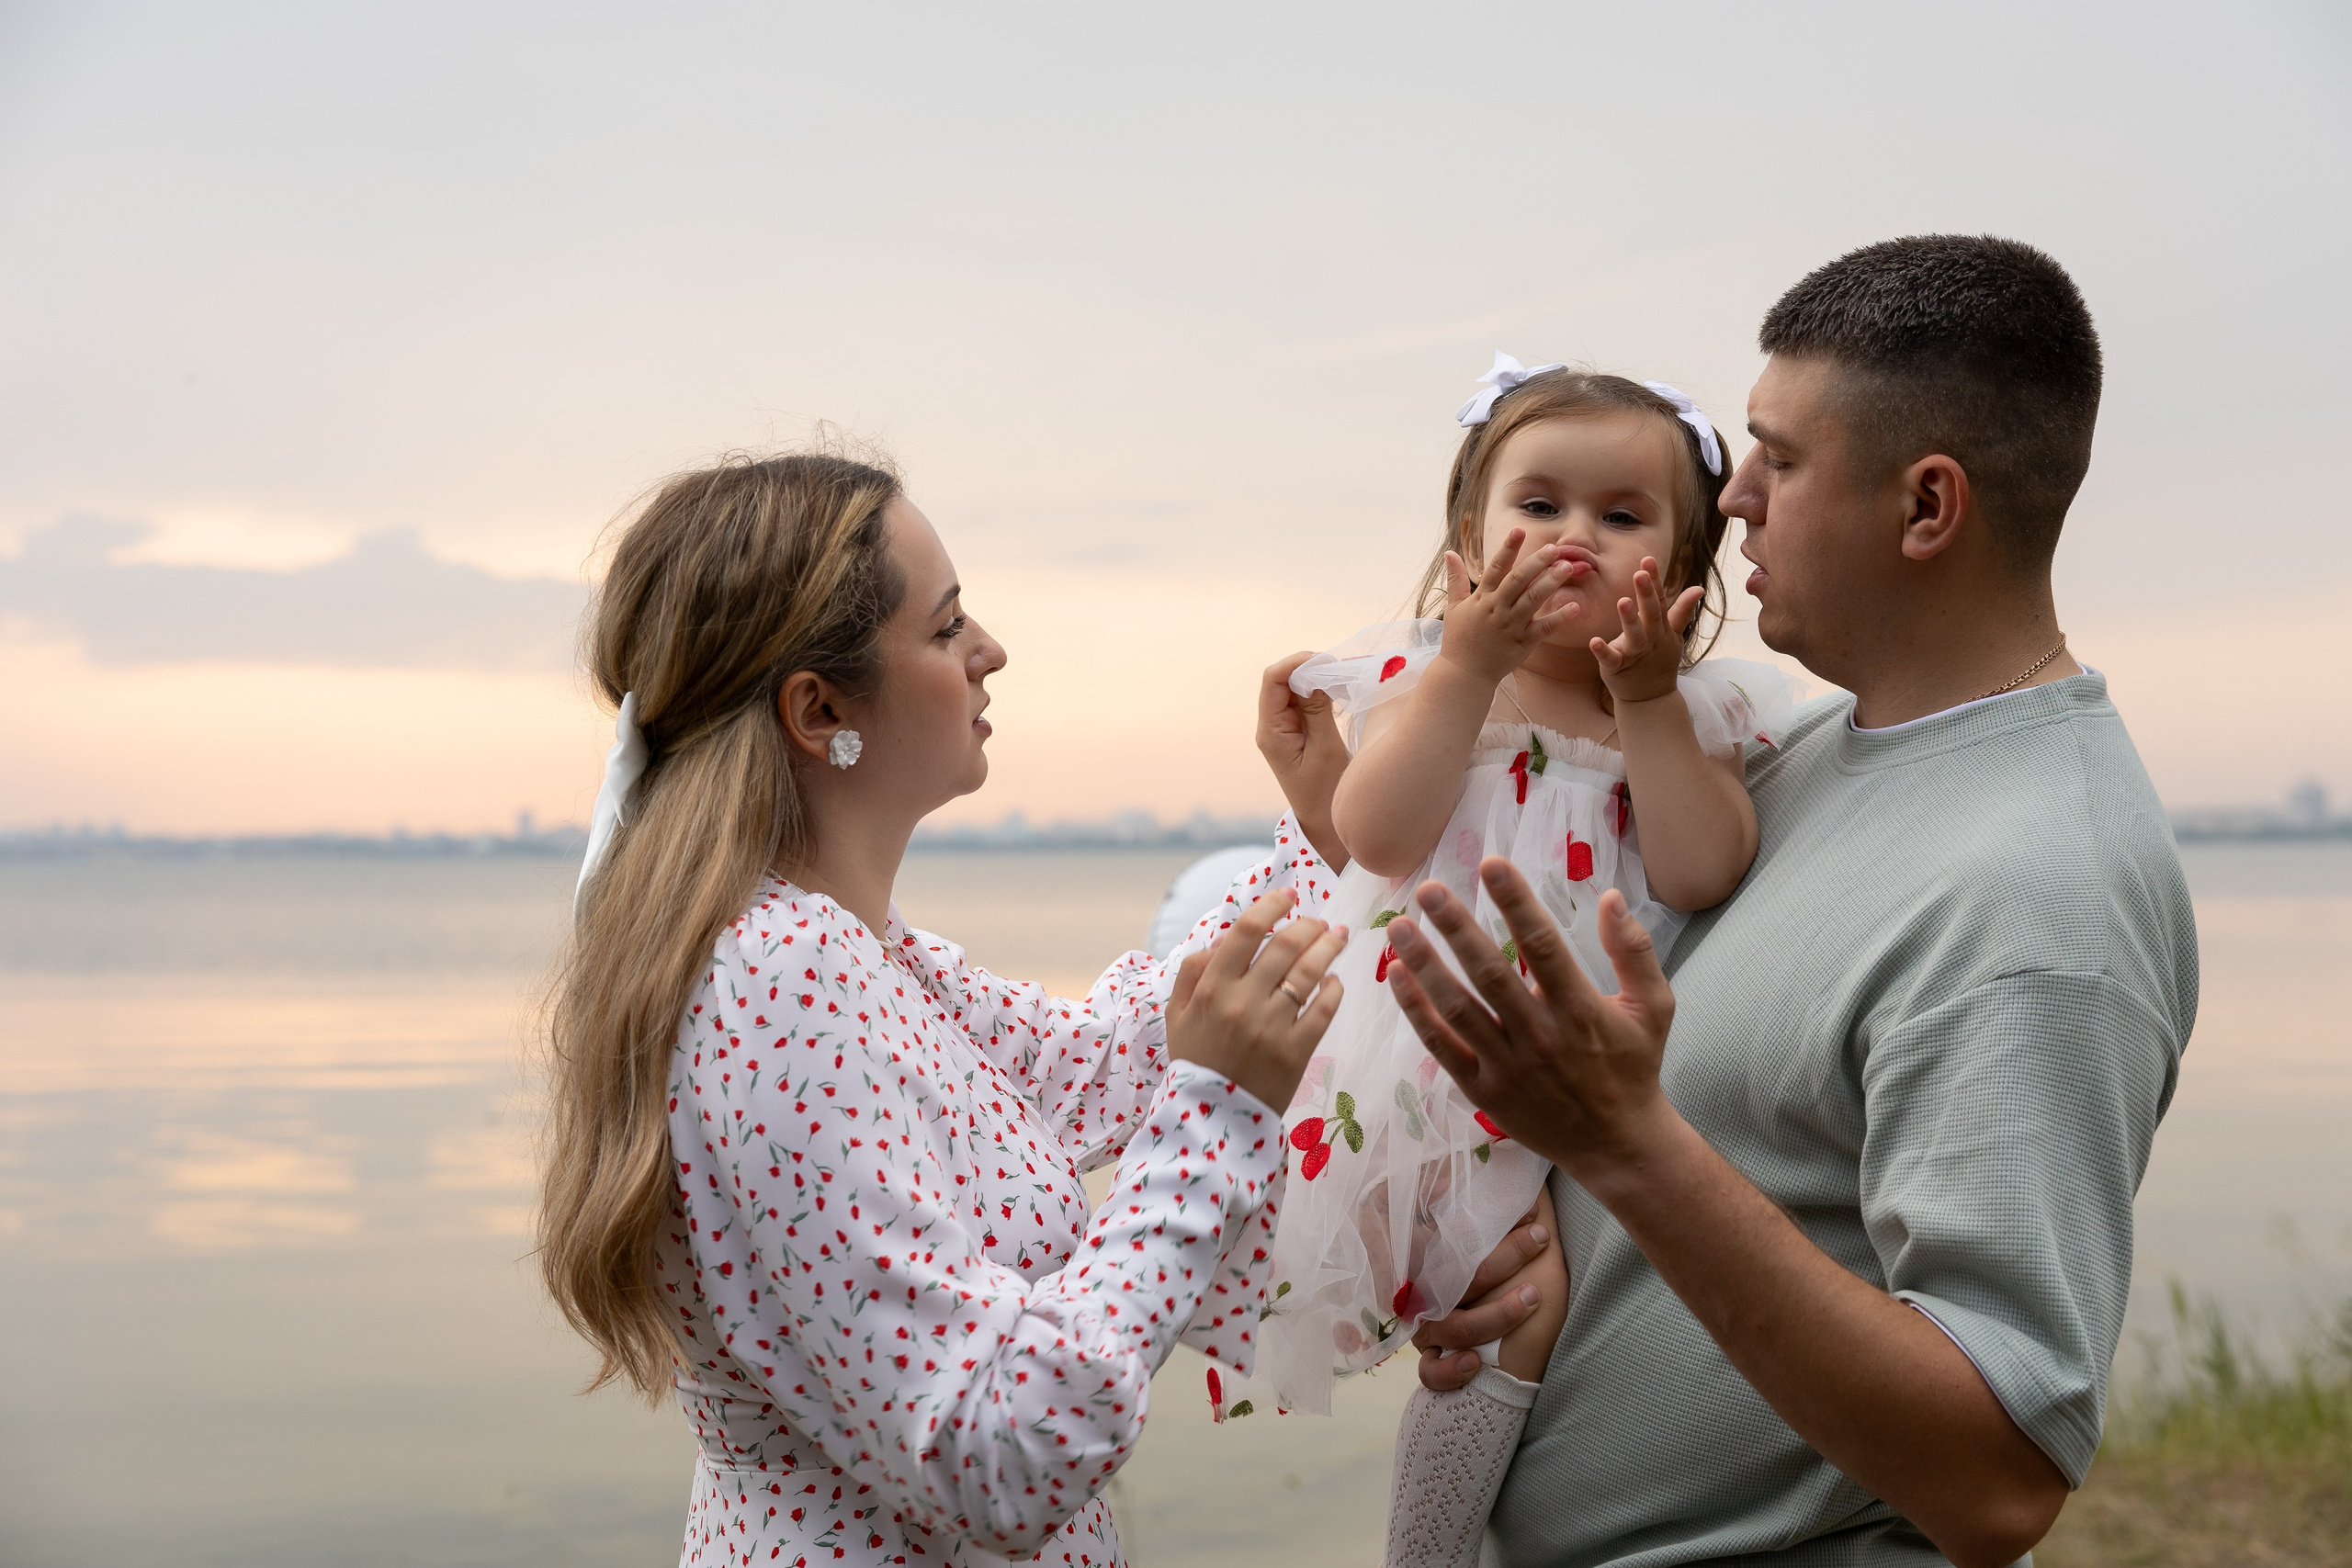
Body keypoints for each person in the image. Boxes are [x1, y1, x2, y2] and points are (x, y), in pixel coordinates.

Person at [1373, 235, 2199, 1566]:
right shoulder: (1805, 756)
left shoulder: (2040, 894)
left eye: (1778, 456)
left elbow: (1998, 1478)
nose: (1734, 495)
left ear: (1927, 507)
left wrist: (1632, 1149)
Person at [537, 450, 1351, 1567]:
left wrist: (1323, 840)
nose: (990, 653)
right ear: (821, 711)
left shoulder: (847, 951)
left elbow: (1098, 1063)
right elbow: (1000, 1451)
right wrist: (1214, 1119)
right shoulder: (776, 982)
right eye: (946, 626)